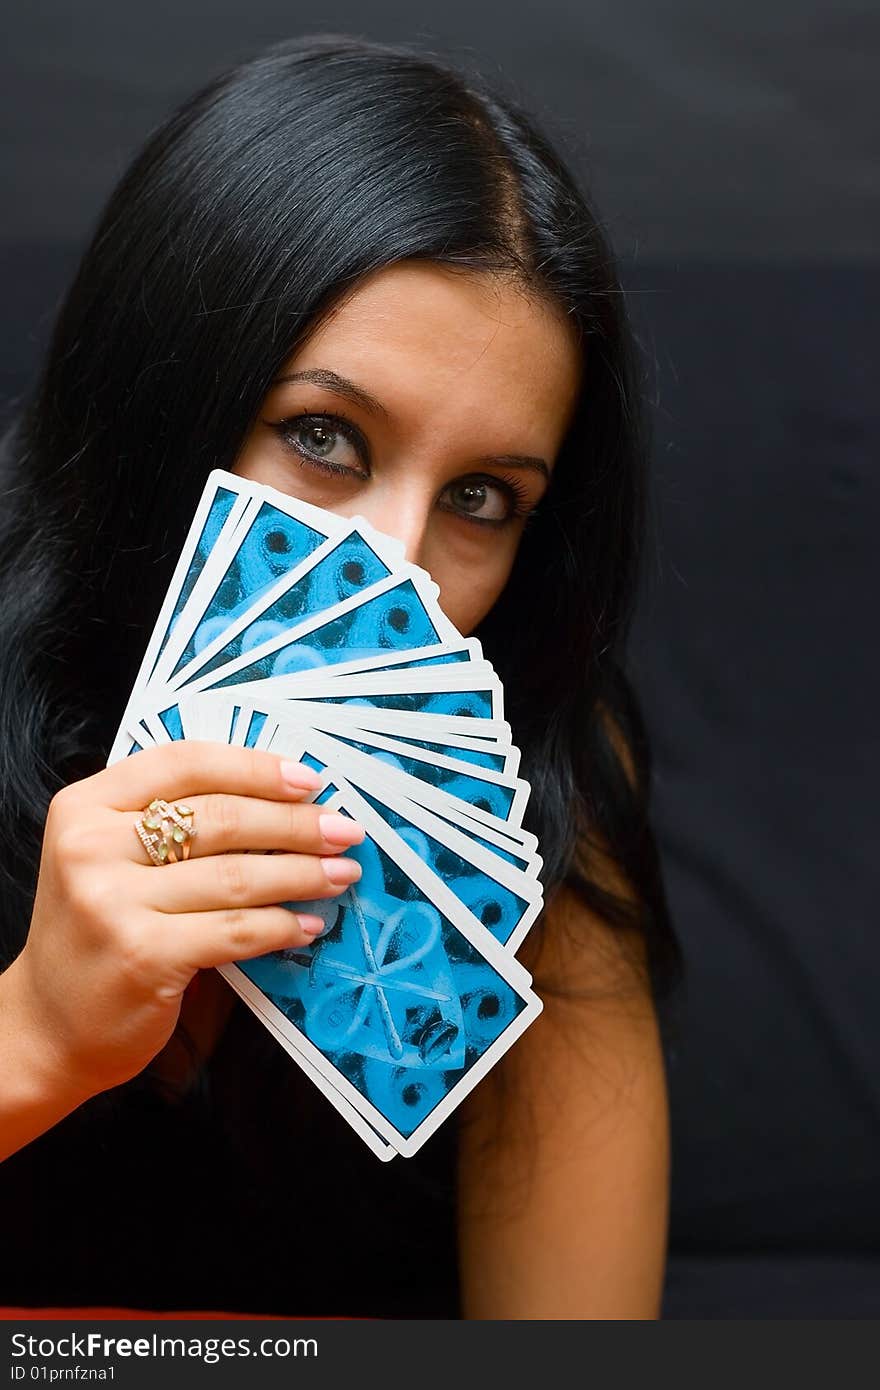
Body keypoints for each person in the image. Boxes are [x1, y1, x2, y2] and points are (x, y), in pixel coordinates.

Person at [0, 33, 678, 1319]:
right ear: (165, 402)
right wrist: (33, 1036)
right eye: (323, 437)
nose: (396, 573)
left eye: (482, 497)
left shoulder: (535, 775)